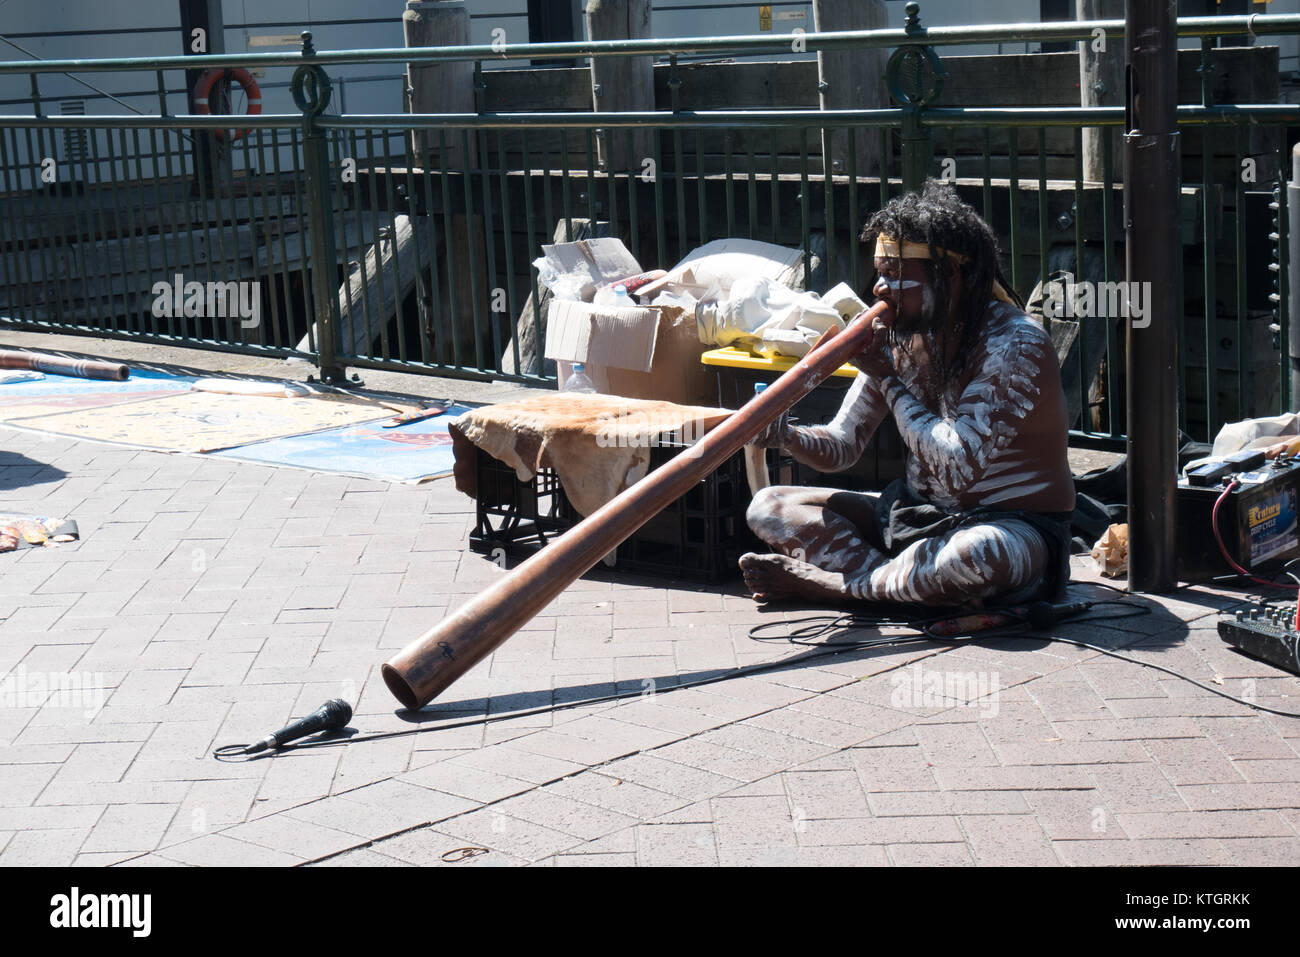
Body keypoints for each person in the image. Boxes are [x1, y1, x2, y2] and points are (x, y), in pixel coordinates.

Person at [740, 180, 1075, 608]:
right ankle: (900, 584)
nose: (879, 290)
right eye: (879, 273)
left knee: (977, 555)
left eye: (895, 276)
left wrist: (888, 380)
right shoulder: (902, 340)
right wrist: (785, 435)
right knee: (769, 507)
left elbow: (958, 469)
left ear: (950, 276)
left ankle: (839, 587)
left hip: (1012, 525)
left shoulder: (1014, 344)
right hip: (912, 513)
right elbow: (842, 448)